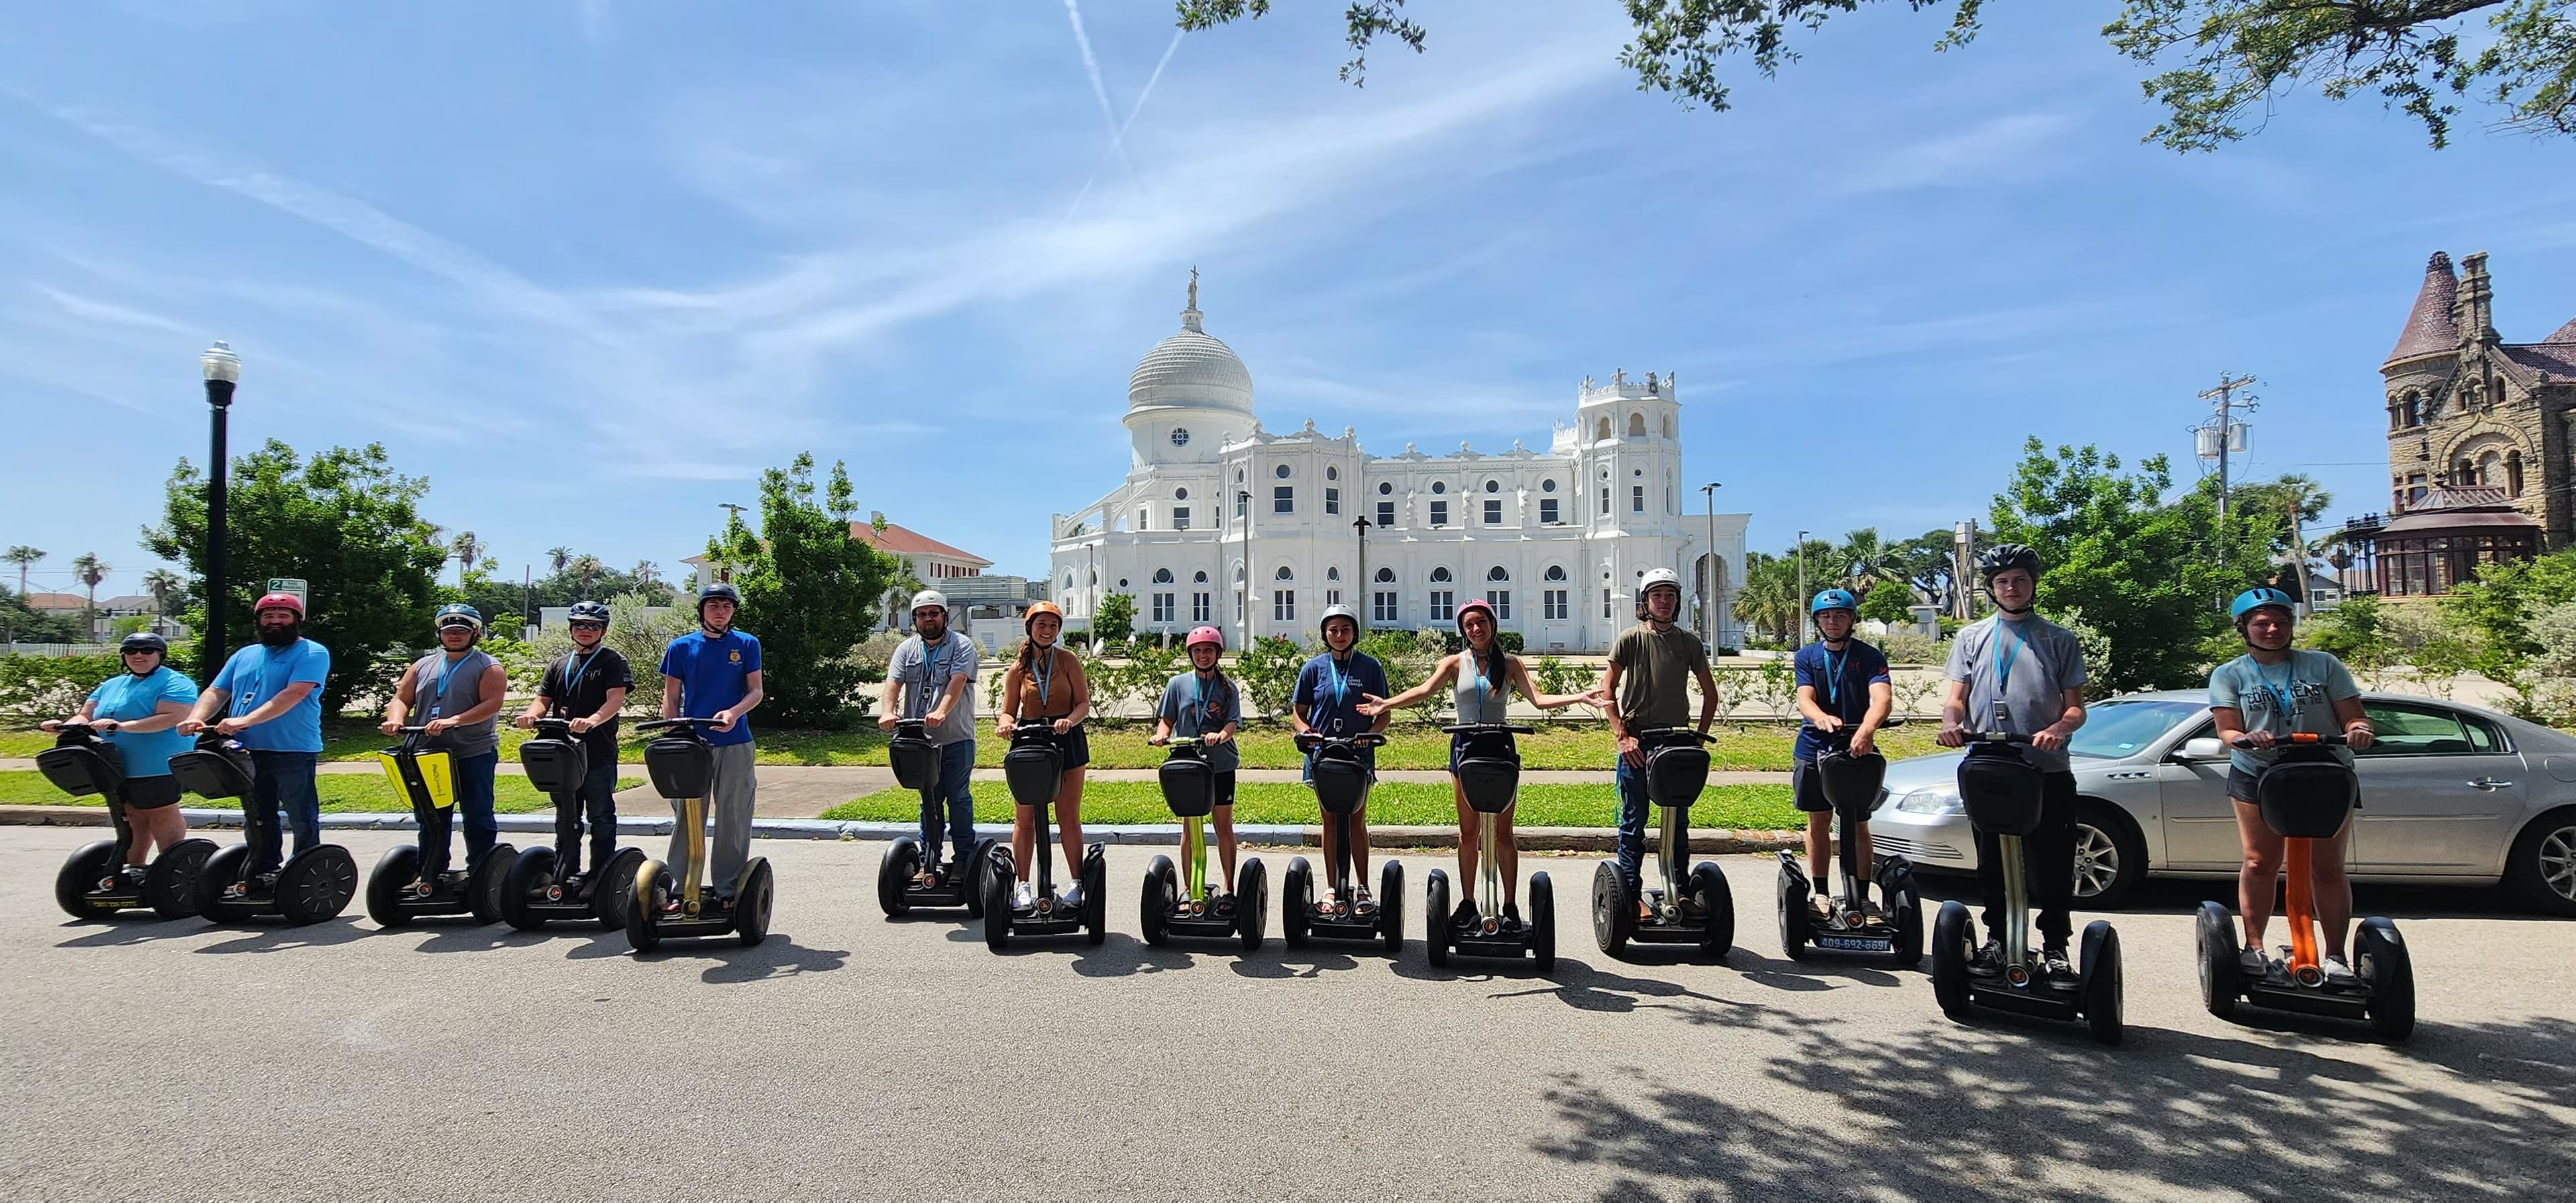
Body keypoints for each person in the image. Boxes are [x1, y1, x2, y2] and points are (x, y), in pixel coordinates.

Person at [1357, 598, 1597, 931]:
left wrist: (1579, 697)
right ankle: (1469, 902)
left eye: (1481, 622)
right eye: (1469, 624)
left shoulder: (1510, 664)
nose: (1476, 629)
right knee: (1468, 833)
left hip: (1499, 748)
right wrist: (1387, 703)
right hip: (1466, 747)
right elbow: (1424, 691)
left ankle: (1509, 906)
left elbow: (1539, 700)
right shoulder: (1455, 663)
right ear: (1463, 630)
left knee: (1502, 833)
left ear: (1492, 625)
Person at [1936, 543, 2090, 979]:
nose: (2012, 587)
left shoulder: (2058, 638)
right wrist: (1951, 724)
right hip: (1990, 765)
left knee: (2053, 860)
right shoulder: (1971, 637)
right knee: (1992, 862)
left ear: (2032, 584)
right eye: (2003, 581)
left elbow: (2076, 707)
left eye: (2019, 579)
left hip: (2045, 769)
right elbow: (1955, 699)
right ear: (1991, 588)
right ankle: (1999, 940)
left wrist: (2059, 728)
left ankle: (2056, 944)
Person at [2210, 586, 2375, 985]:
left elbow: (2355, 718)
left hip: (2325, 773)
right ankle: (2255, 947)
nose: (2272, 629)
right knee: (2259, 862)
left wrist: (2359, 730)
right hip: (2260, 774)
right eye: (2262, 623)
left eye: (2281, 623)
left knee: (2329, 868)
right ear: (2244, 628)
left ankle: (2335, 956)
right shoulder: (2230, 674)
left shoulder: (2323, 665)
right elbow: (2228, 731)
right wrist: (2249, 737)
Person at [180, 592, 330, 893]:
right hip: (244, 750)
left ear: (298, 620)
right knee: (258, 815)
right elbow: (217, 691)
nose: (275, 621)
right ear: (259, 621)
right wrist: (196, 717)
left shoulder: (312, 653)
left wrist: (246, 720)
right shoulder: (244, 655)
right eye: (268, 616)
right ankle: (263, 869)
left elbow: (294, 694)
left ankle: (305, 870)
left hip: (292, 748)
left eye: (283, 616)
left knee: (301, 816)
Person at [1600, 568, 1719, 921]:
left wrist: (1698, 737)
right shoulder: (1630, 639)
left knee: (1678, 822)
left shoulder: (1689, 643)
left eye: (1670, 596)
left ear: (1677, 602)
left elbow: (1710, 693)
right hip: (1638, 740)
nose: (1664, 602)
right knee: (1634, 822)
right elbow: (1608, 690)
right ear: (1645, 602)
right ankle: (1631, 894)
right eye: (1657, 596)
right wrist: (1622, 735)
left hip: (1676, 740)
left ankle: (1680, 891)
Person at [41, 631, 200, 887]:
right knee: (131, 814)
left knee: (160, 812)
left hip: (157, 762)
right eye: (131, 651)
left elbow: (173, 717)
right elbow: (86, 714)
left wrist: (122, 727)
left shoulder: (176, 682)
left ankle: (174, 870)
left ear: (160, 655)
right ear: (124, 656)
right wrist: (63, 726)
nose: (138, 655)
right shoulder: (112, 684)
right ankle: (134, 869)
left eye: (147, 651)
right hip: (114, 764)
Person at [379, 604, 509, 894]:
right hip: (429, 752)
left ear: (475, 633)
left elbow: (492, 705)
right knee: (431, 816)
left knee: (477, 814)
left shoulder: (489, 666)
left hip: (472, 750)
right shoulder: (422, 665)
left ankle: (481, 872)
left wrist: (455, 721)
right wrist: (395, 720)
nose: (454, 635)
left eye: (461, 631)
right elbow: (401, 697)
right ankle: (431, 870)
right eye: (449, 630)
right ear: (440, 633)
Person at [515, 599, 632, 897]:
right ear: (571, 628)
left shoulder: (612, 661)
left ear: (603, 630)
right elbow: (543, 699)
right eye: (580, 625)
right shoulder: (558, 664)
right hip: (562, 753)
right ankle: (564, 874)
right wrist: (532, 715)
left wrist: (593, 719)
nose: (585, 631)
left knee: (600, 815)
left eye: (593, 626)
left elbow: (615, 699)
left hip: (597, 751)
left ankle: (600, 875)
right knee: (566, 816)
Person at [656, 582, 763, 908]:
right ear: (702, 609)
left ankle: (727, 888)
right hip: (692, 744)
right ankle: (681, 886)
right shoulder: (681, 647)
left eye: (727, 607)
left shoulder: (746, 644)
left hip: (734, 741)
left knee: (733, 815)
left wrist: (733, 713)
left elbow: (755, 691)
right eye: (714, 605)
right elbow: (671, 695)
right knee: (688, 816)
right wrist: (674, 731)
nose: (721, 611)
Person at [1792, 588, 1894, 921]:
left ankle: (1862, 897)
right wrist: (1818, 716)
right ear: (1817, 621)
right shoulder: (1807, 656)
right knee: (1818, 821)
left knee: (1858, 822)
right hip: (1814, 747)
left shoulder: (1869, 656)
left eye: (1840, 616)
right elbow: (1805, 698)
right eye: (1826, 616)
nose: (1832, 622)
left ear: (1852, 619)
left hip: (1858, 746)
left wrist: (1867, 731)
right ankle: (1820, 893)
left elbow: (1882, 699)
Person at [1291, 603, 1391, 916]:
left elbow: (1384, 713)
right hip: (1322, 756)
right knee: (1329, 820)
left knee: (1357, 821)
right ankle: (1332, 886)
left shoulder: (1370, 667)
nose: (1339, 635)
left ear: (1354, 633)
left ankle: (1362, 887)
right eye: (1333, 630)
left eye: (1345, 630)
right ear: (1325, 634)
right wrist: (1305, 731)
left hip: (1357, 755)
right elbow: (1299, 711)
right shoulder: (1313, 668)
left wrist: (1370, 734)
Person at [879, 589, 979, 886]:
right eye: (922, 615)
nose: (928, 619)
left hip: (956, 737)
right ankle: (928, 860)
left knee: (958, 798)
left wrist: (942, 711)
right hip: (919, 741)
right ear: (915, 619)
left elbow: (957, 682)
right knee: (929, 800)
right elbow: (893, 684)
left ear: (945, 616)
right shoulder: (906, 649)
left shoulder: (962, 646)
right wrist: (887, 712)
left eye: (934, 613)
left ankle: (962, 859)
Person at [996, 600, 1091, 910]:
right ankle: (1022, 885)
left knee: (1067, 816)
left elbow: (1083, 705)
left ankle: (1077, 883)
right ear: (1030, 629)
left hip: (1067, 740)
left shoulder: (1068, 661)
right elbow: (1008, 712)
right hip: (1029, 742)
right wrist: (1006, 725)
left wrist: (1069, 721)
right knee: (1025, 819)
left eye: (1053, 626)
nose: (1047, 631)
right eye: (1041, 625)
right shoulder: (1017, 669)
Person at [1149, 626, 1244, 911]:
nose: (1203, 655)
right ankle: (1190, 890)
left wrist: (1221, 736)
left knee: (1222, 825)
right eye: (1198, 651)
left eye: (1209, 651)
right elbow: (1167, 719)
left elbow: (1232, 723)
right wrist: (1160, 735)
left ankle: (1228, 888)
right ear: (1191, 654)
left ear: (1217, 654)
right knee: (1189, 830)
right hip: (1187, 763)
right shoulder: (1178, 684)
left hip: (1221, 764)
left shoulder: (1228, 688)